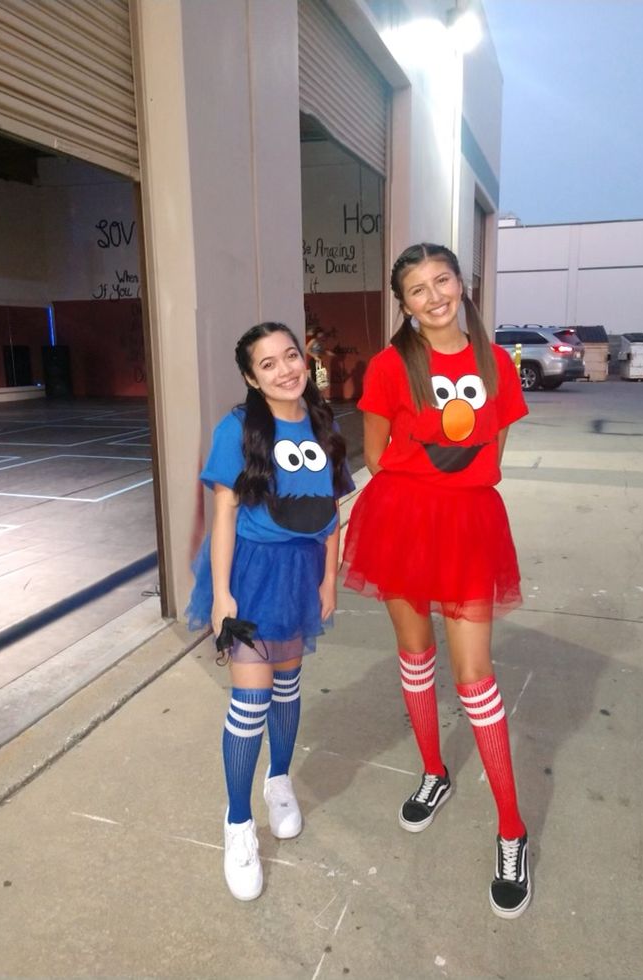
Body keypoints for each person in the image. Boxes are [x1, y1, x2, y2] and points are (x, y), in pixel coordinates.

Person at [341, 243, 531, 919]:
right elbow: (372, 452)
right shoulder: (392, 365)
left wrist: (453, 488)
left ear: (461, 283)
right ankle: (433, 772)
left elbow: (490, 455)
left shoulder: (496, 364)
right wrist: (420, 482)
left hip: (468, 524)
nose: (432, 296)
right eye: (415, 289)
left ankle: (511, 829)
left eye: (440, 281)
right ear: (403, 303)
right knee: (415, 655)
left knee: (474, 675)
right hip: (399, 519)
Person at [187, 322, 352, 901]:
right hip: (252, 576)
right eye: (268, 364)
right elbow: (223, 513)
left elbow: (331, 508)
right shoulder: (236, 430)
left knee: (287, 687)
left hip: (302, 574)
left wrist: (329, 577)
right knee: (250, 701)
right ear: (250, 378)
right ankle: (237, 823)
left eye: (290, 356)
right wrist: (222, 593)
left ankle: (278, 782)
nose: (285, 370)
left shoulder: (323, 424)